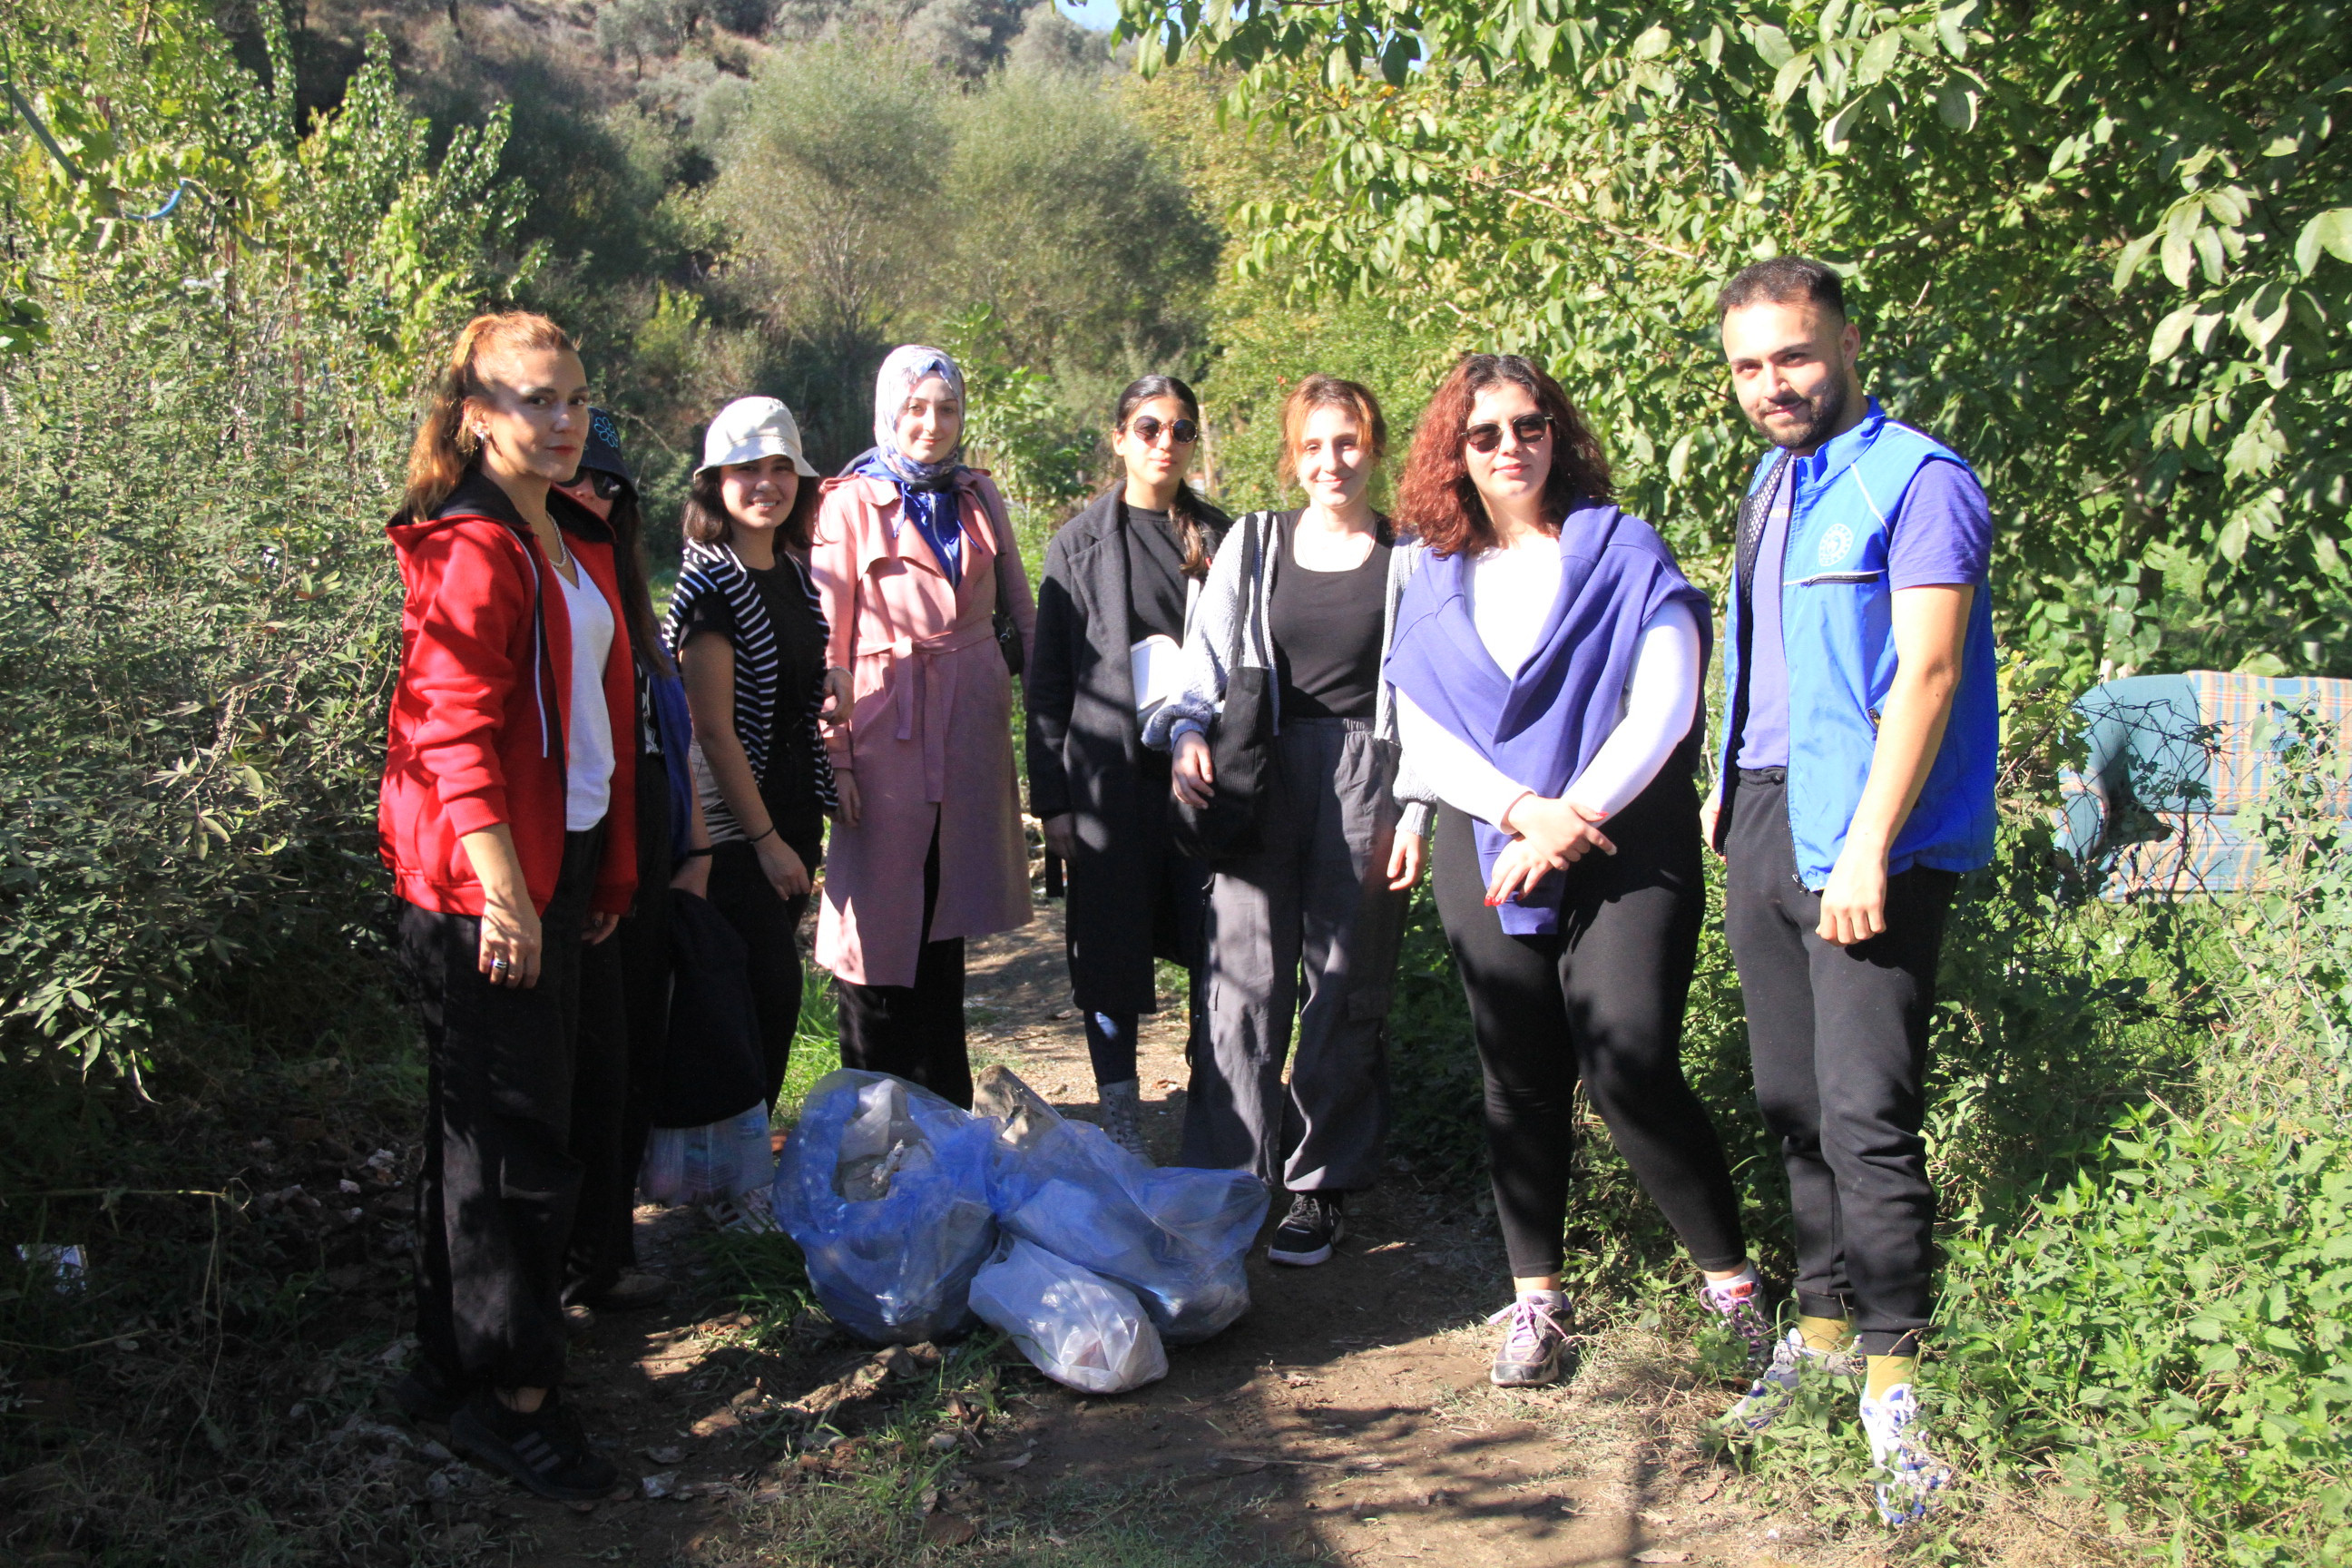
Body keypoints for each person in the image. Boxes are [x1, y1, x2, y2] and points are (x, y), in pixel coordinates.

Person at [1383, 353, 1765, 1390]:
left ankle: (1734, 1289)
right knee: (1517, 1076)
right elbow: (1422, 727)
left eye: (1529, 424)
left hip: (1624, 843)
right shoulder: (1434, 573)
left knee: (1628, 1060)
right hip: (1488, 841)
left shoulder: (1624, 550)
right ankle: (1537, 1302)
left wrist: (1568, 819)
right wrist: (1521, 813)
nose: (1510, 446)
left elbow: (1666, 704)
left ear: (1558, 433)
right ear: (1455, 453)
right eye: (1485, 433)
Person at [1704, 257, 1994, 1526]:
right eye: (1749, 366)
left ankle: (1894, 1383)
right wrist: (1729, 786)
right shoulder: (1773, 482)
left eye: (1794, 355)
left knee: (1866, 1111)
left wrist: (1870, 843)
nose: (1773, 383)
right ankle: (1820, 1334)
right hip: (1769, 815)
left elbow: (1927, 675)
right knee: (1791, 1100)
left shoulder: (1919, 481)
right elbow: (1770, 657)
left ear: (1848, 343)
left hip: (1871, 834)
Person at [379, 311, 634, 1502]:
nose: (566, 419)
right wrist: (506, 895)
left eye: (576, 397)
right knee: (518, 1145)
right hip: (486, 882)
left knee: (485, 1136)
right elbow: (451, 738)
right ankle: (514, 1403)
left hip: (553, 867)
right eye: (539, 399)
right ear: (477, 416)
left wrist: (599, 873)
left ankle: (449, 1366)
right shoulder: (474, 545)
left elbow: (595, 719)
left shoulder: (566, 532)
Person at [1147, 374, 1421, 1267]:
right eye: (1312, 446)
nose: (1330, 461)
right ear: (1291, 457)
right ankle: (1226, 1183)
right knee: (1241, 981)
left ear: (1373, 449)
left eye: (1347, 443)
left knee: (1346, 985)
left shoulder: (1410, 555)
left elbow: (1430, 692)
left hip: (1368, 775)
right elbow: (1204, 660)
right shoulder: (1256, 543)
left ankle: (1320, 1188)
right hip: (1259, 770)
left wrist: (1417, 805)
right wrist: (1187, 732)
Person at [809, 346, 1036, 1107]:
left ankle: (946, 1108)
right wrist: (838, 760)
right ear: (889, 411)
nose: (931, 425)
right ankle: (875, 1111)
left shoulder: (976, 493)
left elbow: (1020, 608)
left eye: (946, 409)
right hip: (883, 727)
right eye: (915, 408)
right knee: (876, 926)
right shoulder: (848, 502)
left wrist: (1044, 712)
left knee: (945, 916)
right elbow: (829, 643)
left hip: (968, 727)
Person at [1026, 376, 1232, 1160]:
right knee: (1108, 955)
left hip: (1201, 782)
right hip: (1108, 783)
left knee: (1216, 946)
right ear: (1119, 437)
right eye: (1148, 427)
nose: (1164, 443)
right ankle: (1121, 1120)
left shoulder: (1222, 537)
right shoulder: (1077, 544)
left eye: (1180, 429)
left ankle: (1214, 1102)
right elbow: (1048, 683)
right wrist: (1054, 803)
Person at [554, 409, 701, 1322]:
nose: (594, 495)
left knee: (635, 1041)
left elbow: (664, 737)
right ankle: (575, 1258)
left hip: (645, 830)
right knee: (588, 1055)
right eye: (578, 478)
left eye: (608, 483)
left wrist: (691, 848)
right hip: (581, 830)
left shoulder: (622, 586)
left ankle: (609, 1249)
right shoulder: (546, 577)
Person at [667, 397, 847, 1111]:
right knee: (759, 998)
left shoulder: (794, 575)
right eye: (747, 469)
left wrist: (828, 679)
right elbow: (712, 730)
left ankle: (746, 1151)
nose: (766, 483)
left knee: (765, 1002)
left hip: (793, 816)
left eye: (781, 467)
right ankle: (728, 1155)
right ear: (716, 483)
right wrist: (766, 842)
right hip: (734, 831)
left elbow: (786, 677)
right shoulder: (708, 584)